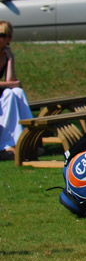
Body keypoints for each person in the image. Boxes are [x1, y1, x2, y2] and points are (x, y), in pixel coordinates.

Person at [0, 21, 33, 161]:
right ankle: (7, 144)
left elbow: (11, 81)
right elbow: (12, 83)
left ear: (9, 38)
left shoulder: (5, 54)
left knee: (17, 93)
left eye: (2, 35)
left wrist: (10, 59)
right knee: (9, 93)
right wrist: (13, 84)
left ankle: (29, 140)